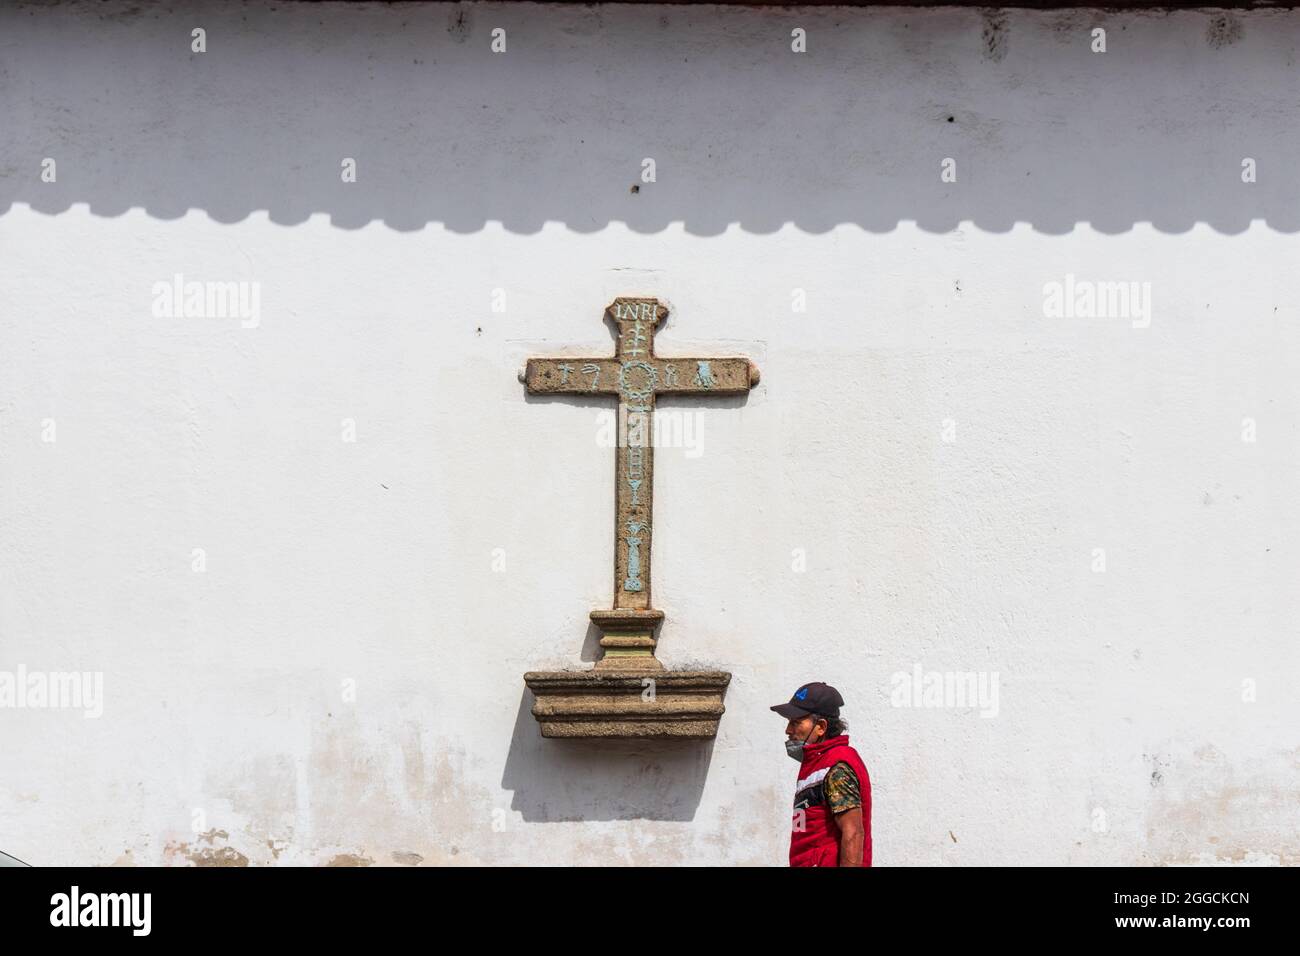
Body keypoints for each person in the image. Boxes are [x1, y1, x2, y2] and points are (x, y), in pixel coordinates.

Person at [771, 682, 872, 867]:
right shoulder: (816, 766)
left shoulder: (836, 767)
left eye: (796, 722)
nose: (788, 730)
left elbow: (853, 832)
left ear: (821, 727)